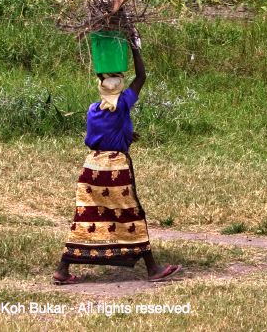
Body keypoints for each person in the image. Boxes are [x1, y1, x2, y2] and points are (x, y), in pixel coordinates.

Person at [52, 35, 181, 284]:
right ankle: (152, 269)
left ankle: (63, 269)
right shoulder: (122, 105)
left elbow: (95, 138)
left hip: (91, 167)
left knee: (87, 215)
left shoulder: (93, 109)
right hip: (115, 169)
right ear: (119, 87)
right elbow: (141, 77)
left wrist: (125, 134)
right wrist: (134, 48)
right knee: (130, 214)